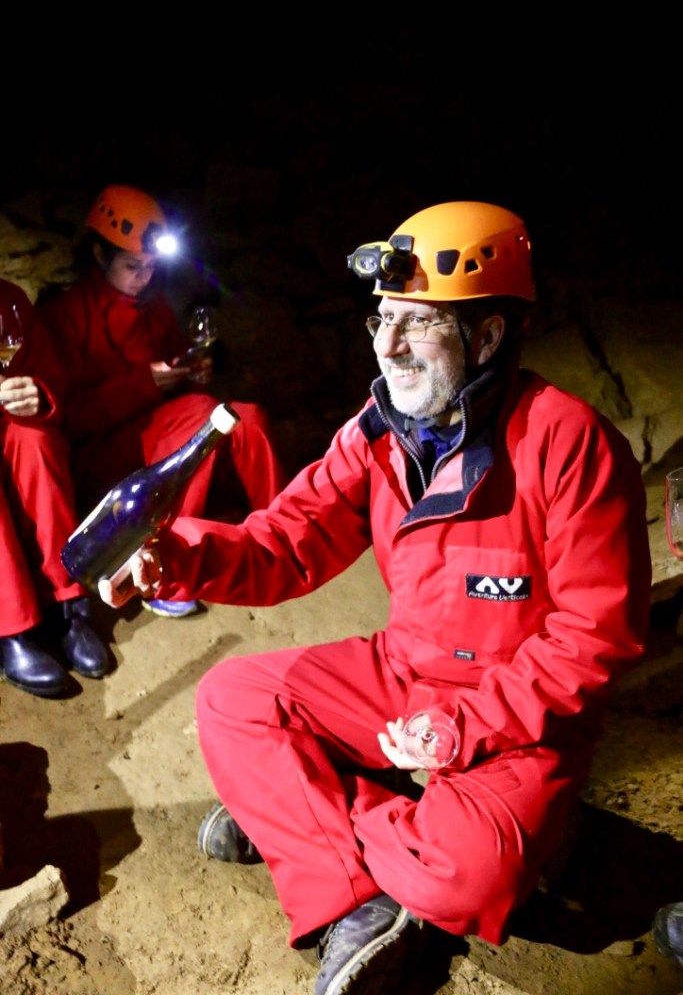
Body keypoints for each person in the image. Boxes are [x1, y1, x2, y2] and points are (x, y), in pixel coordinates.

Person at [99, 200, 652, 995]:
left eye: (416, 322)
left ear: (487, 336)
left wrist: (464, 726)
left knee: (470, 876)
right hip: (402, 676)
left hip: (514, 715)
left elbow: (592, 637)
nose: (387, 345)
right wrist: (174, 557)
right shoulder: (379, 431)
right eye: (382, 318)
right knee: (231, 701)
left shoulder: (567, 444)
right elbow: (285, 543)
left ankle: (308, 822)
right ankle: (358, 893)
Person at [36, 184, 288, 619]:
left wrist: (190, 370)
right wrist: (145, 383)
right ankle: (160, 570)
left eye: (151, 267)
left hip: (162, 434)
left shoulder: (152, 309)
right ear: (99, 254)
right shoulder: (65, 316)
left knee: (244, 417)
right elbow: (68, 418)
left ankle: (282, 530)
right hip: (105, 457)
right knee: (202, 417)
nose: (144, 278)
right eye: (133, 266)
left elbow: (174, 370)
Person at [0, 279, 110, 698]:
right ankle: (11, 629)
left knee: (36, 442)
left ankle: (64, 604)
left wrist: (37, 393)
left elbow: (48, 377)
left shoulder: (8, 300)